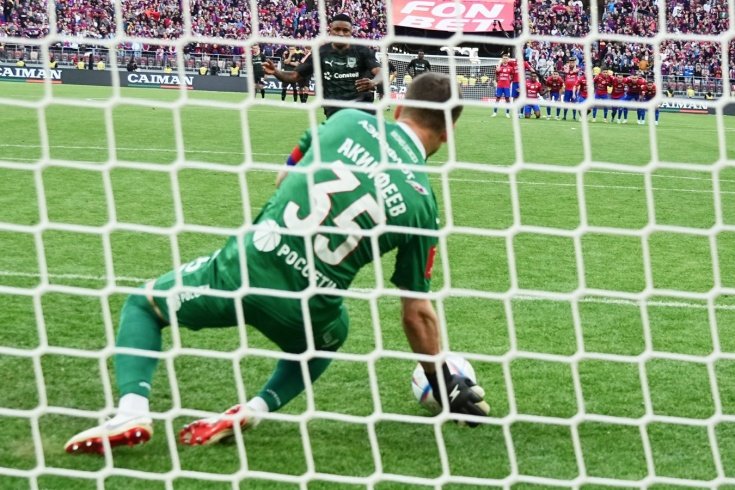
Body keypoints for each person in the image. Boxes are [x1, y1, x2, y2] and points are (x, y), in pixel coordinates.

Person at [63, 72, 490, 455]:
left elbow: (284, 175)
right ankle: (255, 407)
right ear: (449, 132)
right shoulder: (423, 204)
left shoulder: (347, 121)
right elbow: (416, 313)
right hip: (307, 309)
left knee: (144, 305)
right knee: (331, 336)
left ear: (397, 108)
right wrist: (441, 382)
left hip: (246, 270)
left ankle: (132, 410)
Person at [264, 14, 381, 119]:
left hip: (361, 108)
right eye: (337, 29)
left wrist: (373, 82)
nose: (341, 34)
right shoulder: (321, 53)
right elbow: (295, 76)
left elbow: (380, 72)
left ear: (351, 32)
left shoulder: (362, 51)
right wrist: (276, 72)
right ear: (330, 30)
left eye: (345, 30)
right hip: (335, 110)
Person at [491, 53, 513, 118]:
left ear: (508, 59)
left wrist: (509, 82)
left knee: (507, 99)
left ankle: (507, 113)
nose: (505, 60)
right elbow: (497, 72)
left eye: (506, 58)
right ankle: (494, 112)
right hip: (500, 85)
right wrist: (499, 63)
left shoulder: (510, 68)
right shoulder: (499, 67)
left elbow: (512, 76)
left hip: (507, 86)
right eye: (504, 58)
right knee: (497, 98)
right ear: (502, 59)